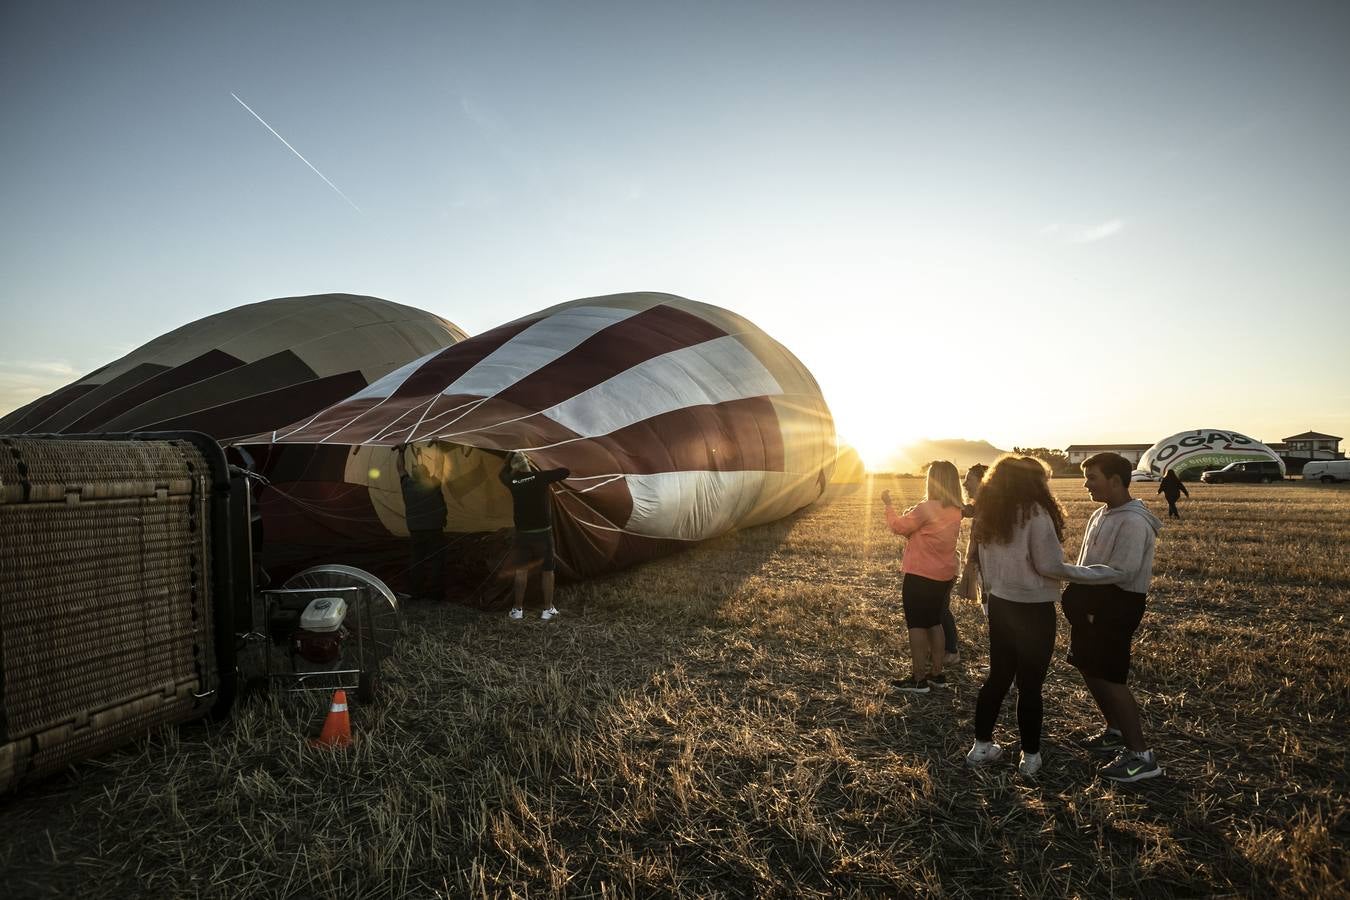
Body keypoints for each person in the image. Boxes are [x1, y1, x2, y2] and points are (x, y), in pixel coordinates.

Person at [964, 456, 1122, 777]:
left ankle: (981, 746)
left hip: (1000, 605)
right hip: (1033, 609)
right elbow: (1049, 565)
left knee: (997, 677)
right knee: (1030, 684)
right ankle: (1031, 757)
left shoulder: (989, 514)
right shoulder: (1036, 513)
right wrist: (1095, 574)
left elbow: (984, 564)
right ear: (1034, 482)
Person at [1062, 451, 1165, 783]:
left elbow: (1122, 571)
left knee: (1111, 676)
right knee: (1089, 668)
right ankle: (1115, 732)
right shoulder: (1100, 514)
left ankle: (1141, 757)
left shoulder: (1134, 521)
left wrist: (1066, 573)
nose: (1086, 484)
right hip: (1091, 603)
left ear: (1117, 481)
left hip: (1115, 605)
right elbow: (1088, 560)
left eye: (1092, 477)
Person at [882, 460, 964, 693]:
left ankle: (918, 678)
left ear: (933, 480)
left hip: (920, 575)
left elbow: (898, 527)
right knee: (934, 622)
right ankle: (936, 674)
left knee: (916, 624)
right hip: (943, 575)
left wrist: (888, 505)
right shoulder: (956, 510)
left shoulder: (927, 507)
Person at [499, 451, 570, 621]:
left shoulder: (513, 481)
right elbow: (565, 471)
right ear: (528, 462)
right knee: (547, 570)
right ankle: (548, 609)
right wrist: (543, 461)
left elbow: (501, 474)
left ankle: (517, 610)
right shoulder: (541, 477)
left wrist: (509, 457)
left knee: (521, 570)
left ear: (514, 467)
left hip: (523, 534)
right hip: (543, 533)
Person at [396, 444, 448, 602]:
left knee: (417, 561)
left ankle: (416, 592)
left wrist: (401, 451)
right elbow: (440, 465)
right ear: (427, 474)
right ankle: (435, 594)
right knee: (436, 561)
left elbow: (400, 468)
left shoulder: (407, 485)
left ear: (413, 475)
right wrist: (439, 446)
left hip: (416, 531)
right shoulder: (433, 483)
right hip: (434, 529)